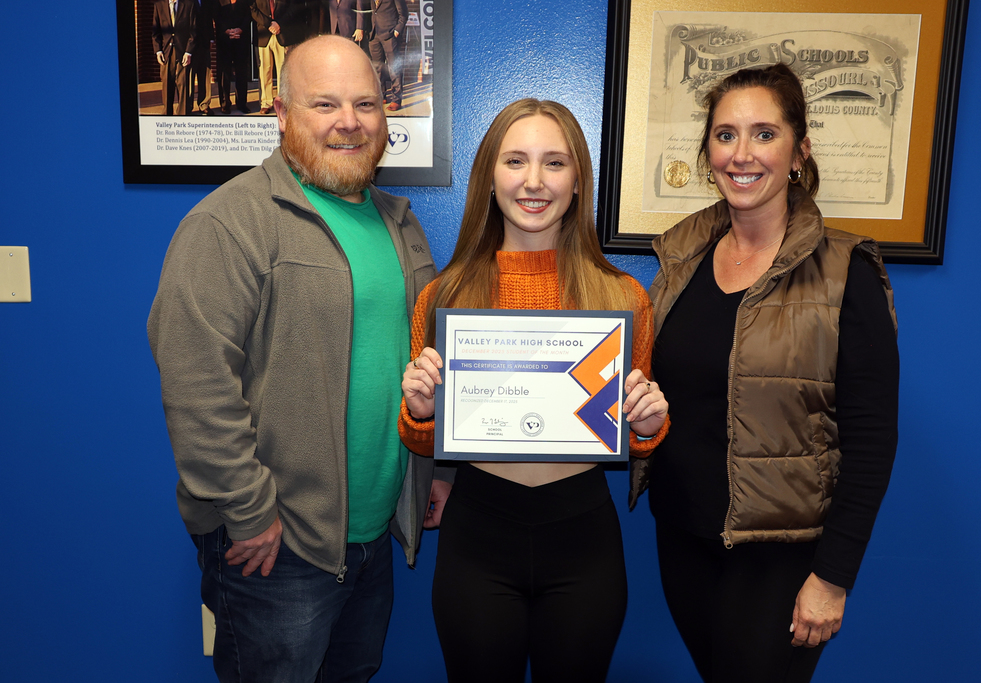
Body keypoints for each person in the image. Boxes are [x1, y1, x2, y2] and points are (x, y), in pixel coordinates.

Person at [148, 35, 443, 683]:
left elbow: (425, 355)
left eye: (366, 103)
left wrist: (433, 471)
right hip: (278, 547)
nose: (350, 121)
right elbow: (197, 384)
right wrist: (248, 512)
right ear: (282, 114)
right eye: (325, 103)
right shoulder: (231, 222)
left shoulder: (401, 223)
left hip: (372, 541)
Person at [637, 62, 899, 682]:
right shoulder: (680, 259)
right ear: (707, 151)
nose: (742, 154)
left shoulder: (846, 271)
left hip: (784, 559)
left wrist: (832, 577)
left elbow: (872, 441)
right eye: (725, 135)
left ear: (799, 151)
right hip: (684, 539)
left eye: (764, 133)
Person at [399, 99, 670, 683]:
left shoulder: (622, 299)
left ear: (578, 183)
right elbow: (425, 442)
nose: (533, 181)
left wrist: (647, 424)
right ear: (488, 179)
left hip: (583, 540)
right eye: (515, 160)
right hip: (477, 534)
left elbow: (637, 442)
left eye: (555, 163)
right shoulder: (443, 298)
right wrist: (421, 412)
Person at [359, 0, 407, 111]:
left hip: (390, 35)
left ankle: (396, 99)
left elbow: (403, 14)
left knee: (393, 67)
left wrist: (397, 30)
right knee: (377, 68)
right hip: (374, 35)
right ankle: (381, 97)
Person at [152, 0, 196, 115]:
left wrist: (188, 52)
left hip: (183, 51)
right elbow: (155, 31)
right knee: (167, 82)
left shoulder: (189, 5)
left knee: (183, 83)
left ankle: (183, 114)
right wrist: (158, 51)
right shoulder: (159, 5)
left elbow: (193, 31)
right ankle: (167, 114)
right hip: (166, 51)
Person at [214, 0, 252, 114]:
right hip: (224, 40)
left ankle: (241, 103)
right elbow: (216, 16)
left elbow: (248, 16)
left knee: (241, 73)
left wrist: (240, 30)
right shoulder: (219, 1)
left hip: (241, 40)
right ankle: (225, 104)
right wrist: (227, 30)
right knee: (224, 74)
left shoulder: (245, 2)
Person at [251, 0, 287, 114]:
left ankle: (282, 102)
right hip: (263, 34)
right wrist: (269, 24)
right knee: (265, 70)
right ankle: (266, 102)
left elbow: (290, 8)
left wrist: (279, 24)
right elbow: (253, 9)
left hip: (281, 34)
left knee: (283, 70)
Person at [186, 0, 216, 115]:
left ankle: (204, 104)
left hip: (204, 42)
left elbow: (209, 19)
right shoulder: (185, 2)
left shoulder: (207, 2)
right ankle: (188, 105)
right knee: (189, 76)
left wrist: (211, 38)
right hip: (189, 44)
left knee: (205, 74)